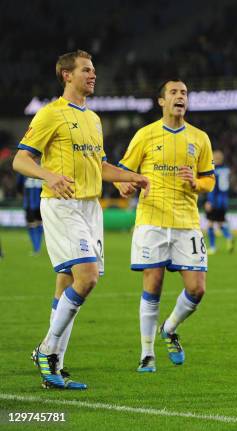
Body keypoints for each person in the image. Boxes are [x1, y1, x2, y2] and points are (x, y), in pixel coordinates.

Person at [13, 50, 149, 389]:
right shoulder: (50, 114)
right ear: (66, 75)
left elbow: (99, 166)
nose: (93, 75)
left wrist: (130, 177)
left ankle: (54, 366)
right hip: (62, 205)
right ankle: (46, 350)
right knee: (86, 278)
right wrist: (48, 175)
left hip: (91, 209)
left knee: (66, 284)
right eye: (86, 70)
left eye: (93, 70)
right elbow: (20, 160)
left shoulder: (94, 119)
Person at [115, 79, 215, 373]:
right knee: (153, 284)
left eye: (184, 92)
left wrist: (197, 183)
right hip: (152, 220)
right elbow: (124, 172)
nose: (180, 96)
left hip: (187, 222)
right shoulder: (145, 135)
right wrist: (125, 185)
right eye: (173, 92)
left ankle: (169, 328)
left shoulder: (200, 138)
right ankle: (147, 353)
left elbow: (209, 179)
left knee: (197, 289)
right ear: (161, 101)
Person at [205, 150, 233, 254]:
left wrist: (209, 202)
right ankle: (229, 237)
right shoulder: (226, 170)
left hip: (215, 202)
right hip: (224, 202)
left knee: (210, 225)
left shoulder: (214, 171)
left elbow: (213, 188)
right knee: (221, 224)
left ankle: (212, 247)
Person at [17, 174, 44, 255]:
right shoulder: (42, 168)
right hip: (39, 203)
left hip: (31, 204)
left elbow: (18, 186)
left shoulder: (24, 170)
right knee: (37, 224)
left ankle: (36, 248)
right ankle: (37, 247)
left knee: (32, 225)